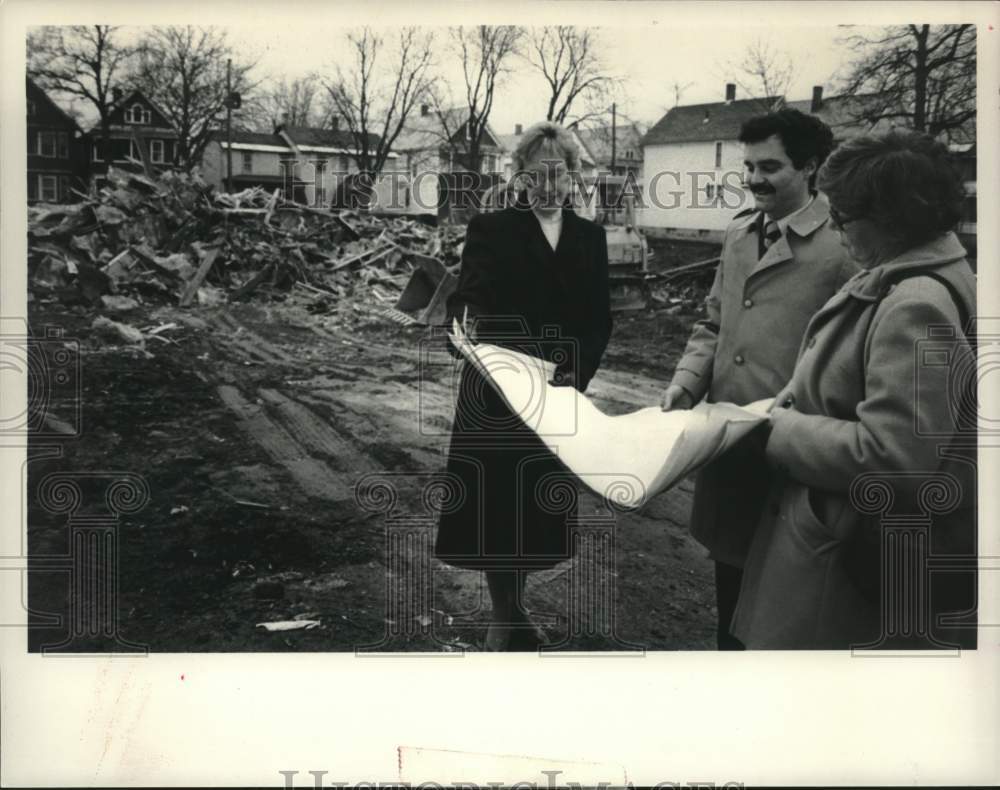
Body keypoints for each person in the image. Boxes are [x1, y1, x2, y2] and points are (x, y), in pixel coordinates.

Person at [731, 131, 977, 649]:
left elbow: (894, 460)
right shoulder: (917, 275)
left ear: (890, 219)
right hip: (846, 543)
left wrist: (782, 428)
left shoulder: (916, 302)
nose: (837, 231)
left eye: (844, 219)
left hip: (843, 566)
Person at [660, 108, 857, 650]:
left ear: (810, 167)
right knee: (730, 585)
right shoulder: (740, 234)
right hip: (729, 444)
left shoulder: (843, 250)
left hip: (791, 453)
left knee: (783, 604)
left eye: (769, 166)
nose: (752, 179)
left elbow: (851, 353)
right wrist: (687, 382)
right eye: (748, 166)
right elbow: (713, 322)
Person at [435, 121, 613, 651]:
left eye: (559, 174)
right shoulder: (493, 229)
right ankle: (504, 614)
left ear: (574, 176)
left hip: (555, 393)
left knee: (535, 509)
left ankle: (515, 609)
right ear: (518, 175)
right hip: (498, 388)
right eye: (537, 174)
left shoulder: (590, 237)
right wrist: (461, 323)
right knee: (495, 505)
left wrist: (573, 375)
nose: (549, 185)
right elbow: (470, 296)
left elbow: (598, 319)